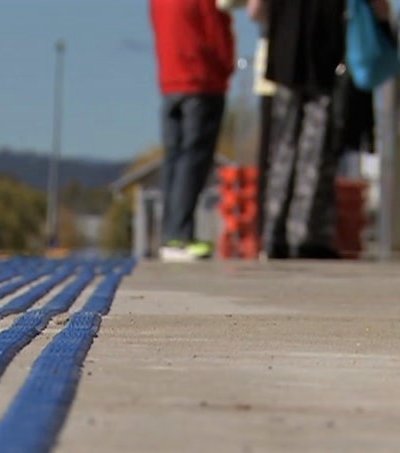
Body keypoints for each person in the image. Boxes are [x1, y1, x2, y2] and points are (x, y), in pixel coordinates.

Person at [249, 0, 392, 259]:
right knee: (316, 151)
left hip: (285, 53)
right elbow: (380, 6)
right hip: (326, 55)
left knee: (282, 150)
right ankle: (305, 235)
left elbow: (256, 10)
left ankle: (274, 235)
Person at [149, 0, 236, 262]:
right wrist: (226, 67)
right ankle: (181, 235)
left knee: (174, 159)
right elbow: (216, 34)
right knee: (194, 159)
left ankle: (169, 234)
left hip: (170, 81)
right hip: (201, 80)